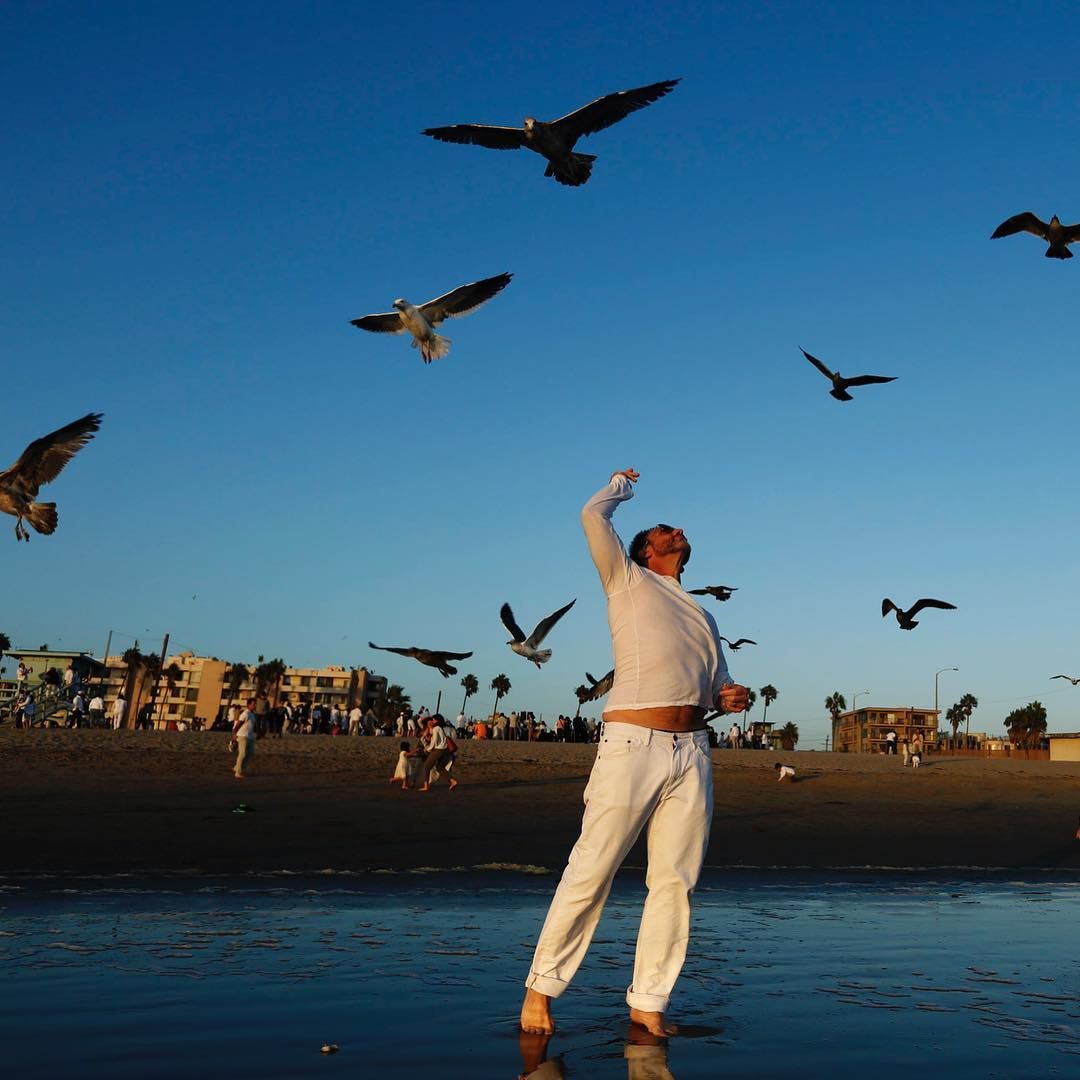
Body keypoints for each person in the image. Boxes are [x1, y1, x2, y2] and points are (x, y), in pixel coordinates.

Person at [520, 468, 749, 1038]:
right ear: (646, 550)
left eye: (679, 531)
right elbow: (591, 517)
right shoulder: (626, 580)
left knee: (675, 880)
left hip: (692, 751)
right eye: (669, 530)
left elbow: (715, 685)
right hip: (632, 745)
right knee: (592, 867)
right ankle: (540, 990)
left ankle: (649, 1004)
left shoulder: (706, 615)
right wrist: (620, 484)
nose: (680, 533)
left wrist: (731, 695)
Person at [231, 697, 257, 778]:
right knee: (242, 753)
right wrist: (234, 735)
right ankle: (238, 772)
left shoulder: (252, 714)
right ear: (248, 705)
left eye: (255, 704)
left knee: (250, 753)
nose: (255, 706)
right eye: (253, 704)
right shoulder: (245, 714)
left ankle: (237, 767)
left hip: (250, 736)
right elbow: (238, 725)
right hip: (242, 736)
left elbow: (252, 726)